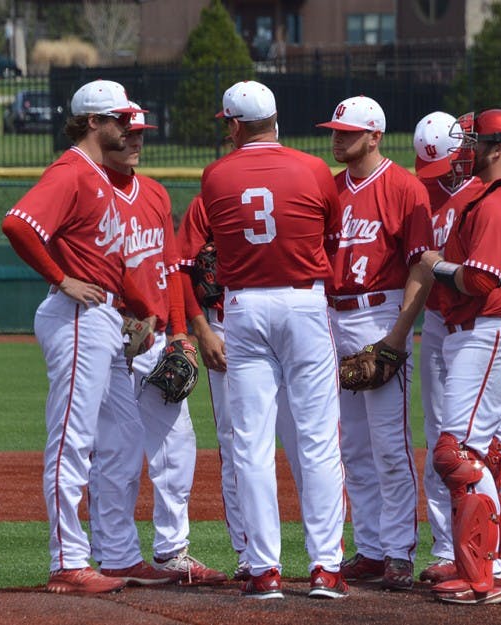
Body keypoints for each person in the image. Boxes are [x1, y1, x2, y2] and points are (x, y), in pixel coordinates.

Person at [201, 80, 348, 600]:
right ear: (276, 120)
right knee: (317, 441)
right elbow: (329, 232)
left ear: (235, 126)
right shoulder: (312, 169)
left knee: (252, 444)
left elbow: (215, 238)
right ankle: (326, 568)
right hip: (306, 301)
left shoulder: (216, 175)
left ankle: (264, 569)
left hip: (243, 307)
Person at [0, 79, 143, 594]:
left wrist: (142, 312)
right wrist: (60, 279)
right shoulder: (71, 171)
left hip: (105, 315)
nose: (127, 127)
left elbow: (106, 259)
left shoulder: (100, 176)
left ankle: (121, 555)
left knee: (125, 436)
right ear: (92, 122)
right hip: (77, 317)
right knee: (72, 440)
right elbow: (18, 224)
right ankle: (68, 561)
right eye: (119, 119)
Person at [87, 105, 226, 587]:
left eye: (141, 133)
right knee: (116, 450)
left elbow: (169, 271)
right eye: (128, 133)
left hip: (154, 343)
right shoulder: (90, 194)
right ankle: (111, 552)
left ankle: (171, 551)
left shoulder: (155, 194)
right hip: (109, 341)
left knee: (177, 446)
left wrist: (180, 335)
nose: (136, 142)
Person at [418, 108, 501, 605]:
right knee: (499, 452)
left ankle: (481, 575)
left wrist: (436, 264)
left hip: (490, 329)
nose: (465, 149)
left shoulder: (497, 203)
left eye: (474, 141)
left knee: (458, 452)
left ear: (497, 149)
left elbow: (479, 280)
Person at [316, 95, 427, 591]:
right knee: (352, 447)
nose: (337, 138)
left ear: (374, 136)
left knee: (388, 444)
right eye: (335, 130)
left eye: (347, 131)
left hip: (380, 313)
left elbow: (423, 266)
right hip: (332, 316)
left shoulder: (405, 188)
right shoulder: (329, 188)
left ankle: (400, 551)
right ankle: (371, 547)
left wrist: (397, 335)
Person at [175, 192, 304, 582]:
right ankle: (251, 554)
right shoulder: (208, 198)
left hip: (296, 314)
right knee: (236, 444)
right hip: (225, 324)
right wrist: (198, 329)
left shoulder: (299, 184)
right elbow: (182, 266)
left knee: (308, 441)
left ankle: (326, 556)